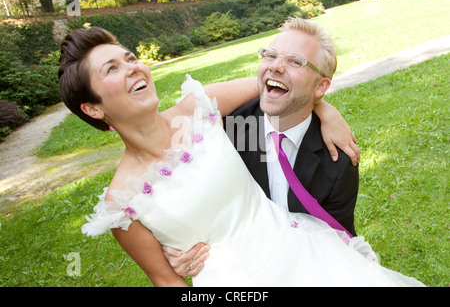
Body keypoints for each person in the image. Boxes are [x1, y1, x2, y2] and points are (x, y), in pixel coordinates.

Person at [59, 25, 424, 286]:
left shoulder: (199, 107)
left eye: (130, 57)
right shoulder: (120, 204)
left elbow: (280, 88)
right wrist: (177, 265)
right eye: (112, 69)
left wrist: (326, 110)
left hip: (305, 257)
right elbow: (166, 281)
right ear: (93, 109)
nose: (134, 67)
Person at [163, 18, 361, 277]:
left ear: (321, 86)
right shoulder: (229, 128)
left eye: (295, 61)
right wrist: (178, 252)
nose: (276, 66)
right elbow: (187, 192)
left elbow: (338, 240)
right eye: (270, 55)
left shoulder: (336, 159)